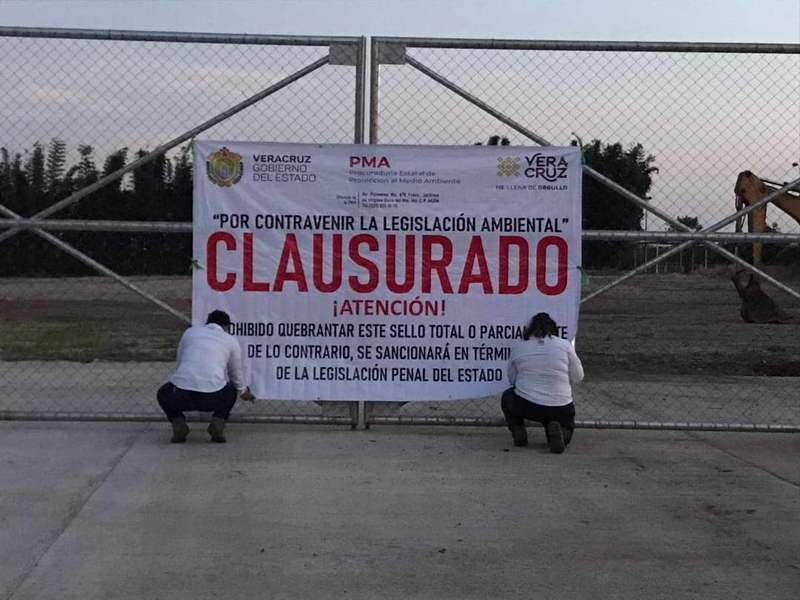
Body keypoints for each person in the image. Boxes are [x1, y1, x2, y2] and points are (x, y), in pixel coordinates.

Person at [157, 310, 254, 443]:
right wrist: (243, 391)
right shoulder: (231, 340)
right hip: (212, 398)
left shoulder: (190, 332)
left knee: (163, 393)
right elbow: (235, 373)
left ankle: (178, 422)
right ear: (226, 326)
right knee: (231, 390)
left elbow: (180, 361)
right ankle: (217, 425)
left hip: (180, 396)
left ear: (208, 322)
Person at [501, 312, 584, 453]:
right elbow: (578, 376)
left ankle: (518, 431)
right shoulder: (565, 345)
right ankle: (561, 434)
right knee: (563, 422)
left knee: (507, 396)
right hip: (560, 405)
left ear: (530, 329)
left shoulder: (519, 346)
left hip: (527, 404)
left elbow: (512, 379)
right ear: (554, 329)